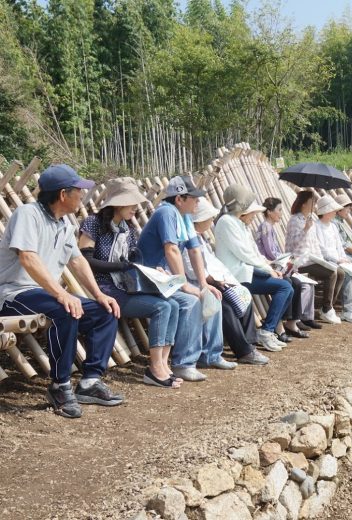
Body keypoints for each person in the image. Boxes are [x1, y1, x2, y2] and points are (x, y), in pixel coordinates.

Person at [0, 164, 123, 418]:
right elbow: (27, 258)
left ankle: (89, 382)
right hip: (13, 293)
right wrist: (61, 293)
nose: (83, 196)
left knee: (105, 312)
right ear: (63, 194)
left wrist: (99, 295)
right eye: (79, 191)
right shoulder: (28, 214)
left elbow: (77, 261)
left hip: (43, 294)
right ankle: (60, 385)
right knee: (65, 310)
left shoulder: (64, 223)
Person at [78, 177, 182, 388]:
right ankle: (154, 368)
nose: (136, 207)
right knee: (162, 307)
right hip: (103, 288)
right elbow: (86, 260)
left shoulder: (128, 230)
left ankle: (163, 363)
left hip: (125, 287)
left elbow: (133, 263)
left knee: (174, 304)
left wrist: (155, 271)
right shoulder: (93, 223)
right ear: (117, 203)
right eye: (131, 203)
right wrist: (122, 266)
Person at [137, 175, 224, 382]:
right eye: (193, 198)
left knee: (208, 295)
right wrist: (183, 284)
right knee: (190, 301)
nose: (198, 202)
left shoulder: (184, 217)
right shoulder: (166, 213)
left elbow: (195, 251)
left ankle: (209, 354)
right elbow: (172, 249)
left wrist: (203, 284)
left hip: (165, 279)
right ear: (179, 199)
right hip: (149, 279)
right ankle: (183, 363)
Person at [189, 199, 270, 365]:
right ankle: (243, 350)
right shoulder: (189, 238)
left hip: (210, 279)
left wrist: (223, 279)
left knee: (242, 294)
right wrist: (212, 280)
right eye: (210, 218)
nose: (212, 221)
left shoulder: (200, 238)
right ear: (201, 219)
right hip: (195, 283)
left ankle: (249, 344)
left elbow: (210, 262)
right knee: (224, 306)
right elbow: (190, 268)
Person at [214, 184, 293, 352]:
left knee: (287, 285)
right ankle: (267, 331)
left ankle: (268, 330)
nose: (255, 215)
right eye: (253, 212)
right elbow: (244, 253)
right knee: (285, 287)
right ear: (243, 209)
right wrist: (267, 269)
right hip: (236, 275)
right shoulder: (227, 222)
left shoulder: (239, 224)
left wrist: (269, 265)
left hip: (247, 271)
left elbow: (253, 252)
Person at [256, 197, 318, 335]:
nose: (281, 213)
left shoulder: (269, 227)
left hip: (275, 264)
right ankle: (282, 324)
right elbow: (270, 253)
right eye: (279, 210)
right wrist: (287, 260)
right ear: (270, 212)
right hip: (269, 266)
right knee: (291, 283)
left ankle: (291, 321)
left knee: (295, 282)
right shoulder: (265, 226)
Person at [285, 190, 344, 324]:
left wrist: (321, 260)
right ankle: (326, 308)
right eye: (312, 202)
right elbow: (294, 244)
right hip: (300, 260)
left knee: (340, 272)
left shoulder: (310, 219)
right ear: (304, 204)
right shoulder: (295, 220)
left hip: (312, 258)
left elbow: (314, 243)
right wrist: (305, 229)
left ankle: (328, 307)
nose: (314, 206)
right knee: (332, 273)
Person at [315, 196, 352, 324]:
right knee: (346, 274)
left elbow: (339, 246)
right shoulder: (317, 226)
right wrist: (338, 260)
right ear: (325, 211)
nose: (335, 212)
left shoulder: (333, 226)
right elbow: (322, 249)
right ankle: (348, 310)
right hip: (326, 261)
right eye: (332, 210)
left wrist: (344, 258)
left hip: (339, 259)